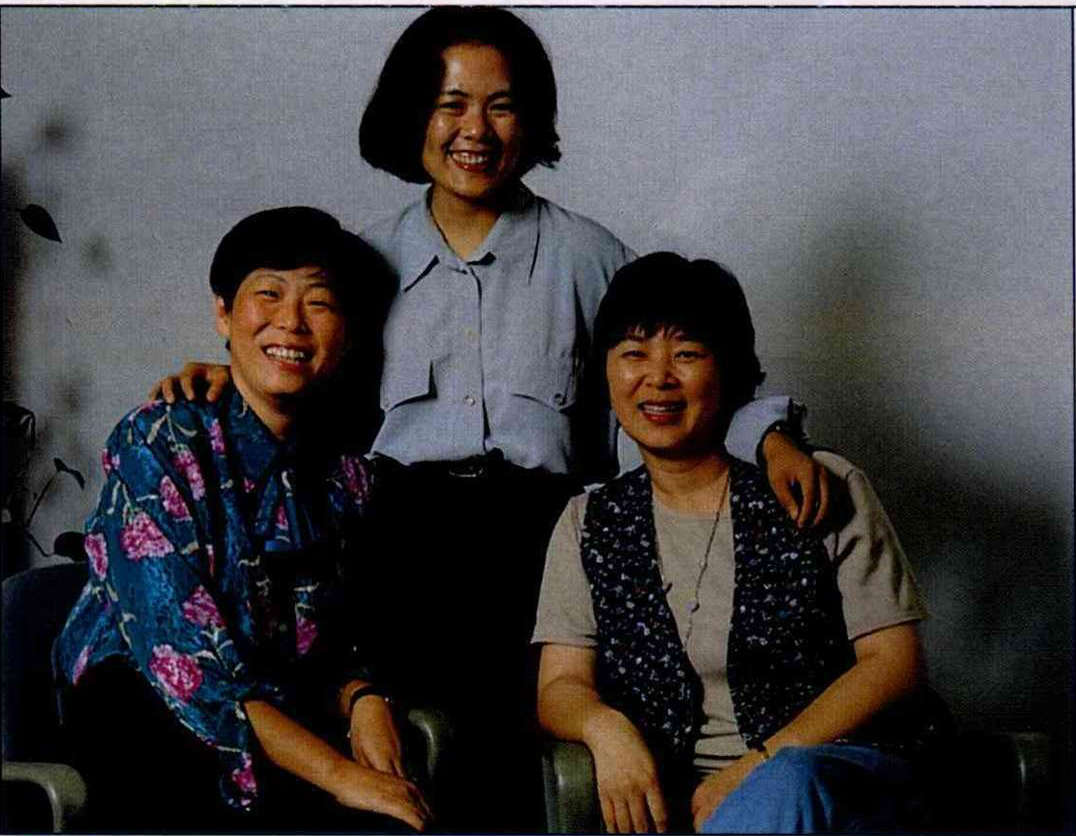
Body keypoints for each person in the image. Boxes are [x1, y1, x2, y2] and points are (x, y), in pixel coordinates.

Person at [150, 8, 829, 830]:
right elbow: (292, 370)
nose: (475, 130)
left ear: (533, 119)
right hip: (394, 544)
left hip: (543, 545)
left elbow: (681, 378)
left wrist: (772, 435)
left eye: (501, 106)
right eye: (450, 104)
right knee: (400, 759)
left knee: (526, 757)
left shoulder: (589, 257)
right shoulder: (359, 264)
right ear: (412, 116)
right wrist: (223, 379)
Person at [535, 252, 947, 833]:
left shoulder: (818, 485)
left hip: (834, 775)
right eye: (633, 353)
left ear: (730, 370)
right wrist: (605, 728)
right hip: (679, 799)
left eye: (687, 354)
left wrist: (759, 766)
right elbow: (560, 684)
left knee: (790, 783)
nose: (658, 377)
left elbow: (894, 665)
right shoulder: (589, 521)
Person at [54, 207, 431, 832]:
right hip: (152, 723)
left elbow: (336, 638)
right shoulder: (158, 440)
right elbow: (182, 659)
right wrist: (341, 777)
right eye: (268, 294)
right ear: (224, 315)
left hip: (281, 722)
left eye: (319, 303)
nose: (292, 322)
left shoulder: (346, 477)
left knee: (403, 812)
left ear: (346, 334)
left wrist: (362, 697)